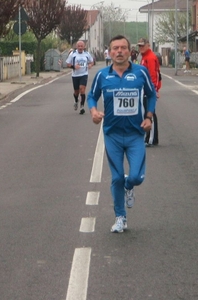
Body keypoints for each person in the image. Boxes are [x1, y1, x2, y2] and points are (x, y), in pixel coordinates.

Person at [87, 35, 157, 233]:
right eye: (115, 48)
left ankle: (129, 185)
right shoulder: (102, 76)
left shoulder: (141, 73)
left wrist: (149, 117)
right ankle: (120, 217)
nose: (119, 51)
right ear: (109, 52)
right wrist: (94, 111)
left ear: (129, 51)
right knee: (116, 177)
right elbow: (92, 96)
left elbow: (151, 94)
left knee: (136, 177)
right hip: (112, 134)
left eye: (123, 48)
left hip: (136, 133)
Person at [137, 37, 161, 146]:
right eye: (139, 46)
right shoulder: (143, 57)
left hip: (148, 90)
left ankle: (150, 139)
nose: (141, 47)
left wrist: (154, 90)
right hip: (143, 89)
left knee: (149, 113)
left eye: (143, 45)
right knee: (145, 112)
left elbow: (154, 75)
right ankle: (149, 137)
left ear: (148, 45)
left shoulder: (150, 58)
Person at [66, 41, 94, 114]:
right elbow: (68, 64)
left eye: (82, 46)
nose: (80, 48)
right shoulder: (73, 54)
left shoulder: (87, 54)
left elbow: (92, 61)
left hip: (84, 74)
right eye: (79, 46)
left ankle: (82, 107)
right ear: (76, 47)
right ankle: (76, 100)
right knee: (76, 92)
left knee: (82, 89)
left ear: (84, 47)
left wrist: (91, 65)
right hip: (75, 75)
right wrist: (74, 66)